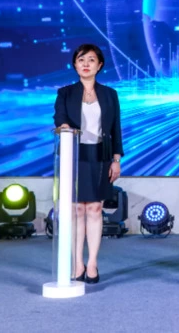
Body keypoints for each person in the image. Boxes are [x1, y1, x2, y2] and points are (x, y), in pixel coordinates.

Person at [53, 43, 123, 284]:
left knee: (94, 208)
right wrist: (64, 127)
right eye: (81, 59)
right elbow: (60, 118)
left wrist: (116, 159)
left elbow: (116, 129)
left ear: (99, 65)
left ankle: (92, 262)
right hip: (74, 154)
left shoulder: (110, 94)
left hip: (100, 156)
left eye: (91, 60)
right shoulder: (65, 93)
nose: (86, 64)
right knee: (76, 209)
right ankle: (77, 263)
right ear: (74, 64)